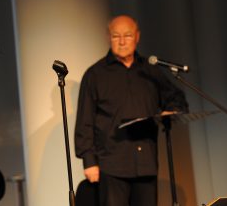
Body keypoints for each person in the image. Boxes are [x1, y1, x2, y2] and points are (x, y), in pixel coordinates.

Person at [74, 15, 188, 206]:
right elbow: (84, 121)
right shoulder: (96, 74)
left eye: (127, 35)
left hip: (146, 162)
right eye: (116, 36)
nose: (122, 41)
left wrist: (171, 111)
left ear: (137, 37)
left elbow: (176, 98)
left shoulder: (150, 71)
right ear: (108, 37)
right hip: (111, 163)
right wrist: (89, 161)